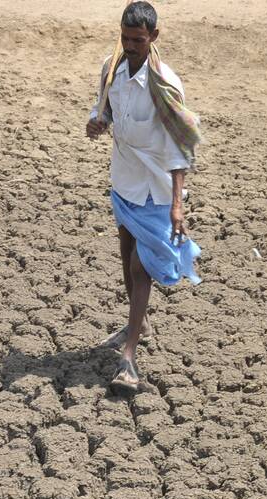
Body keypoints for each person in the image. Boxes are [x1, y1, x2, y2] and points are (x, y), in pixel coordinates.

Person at [87, 1, 202, 392]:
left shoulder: (165, 84)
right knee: (125, 255)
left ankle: (129, 358)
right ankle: (139, 324)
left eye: (138, 39)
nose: (130, 45)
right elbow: (104, 106)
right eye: (125, 37)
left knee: (141, 268)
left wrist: (177, 204)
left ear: (154, 37)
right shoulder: (112, 67)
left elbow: (179, 146)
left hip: (155, 187)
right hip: (123, 180)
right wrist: (97, 121)